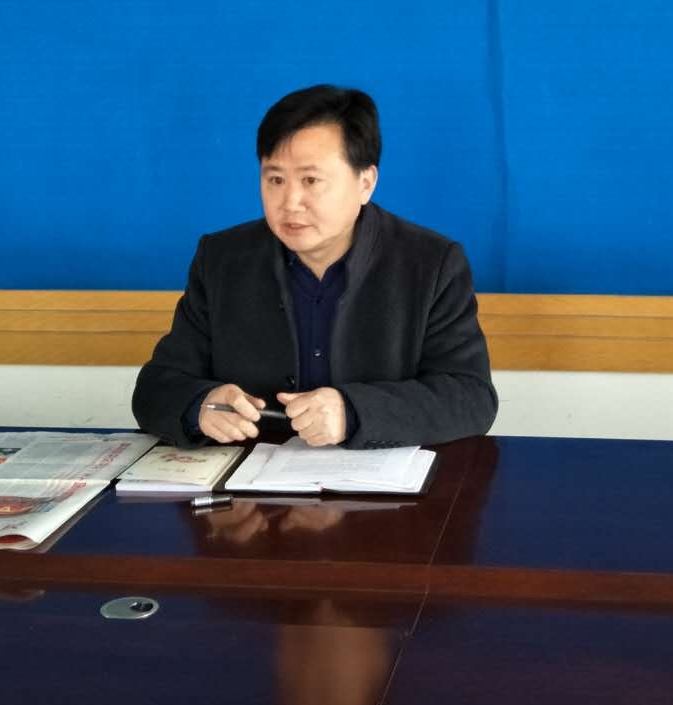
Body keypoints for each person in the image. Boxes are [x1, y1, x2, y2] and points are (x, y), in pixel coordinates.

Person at [132, 84, 498, 449]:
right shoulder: (222, 259)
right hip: (251, 480)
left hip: (379, 479)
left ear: (366, 183)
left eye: (311, 180)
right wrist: (200, 405)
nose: (291, 202)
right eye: (275, 180)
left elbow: (470, 397)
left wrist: (354, 412)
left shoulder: (431, 264)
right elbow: (154, 389)